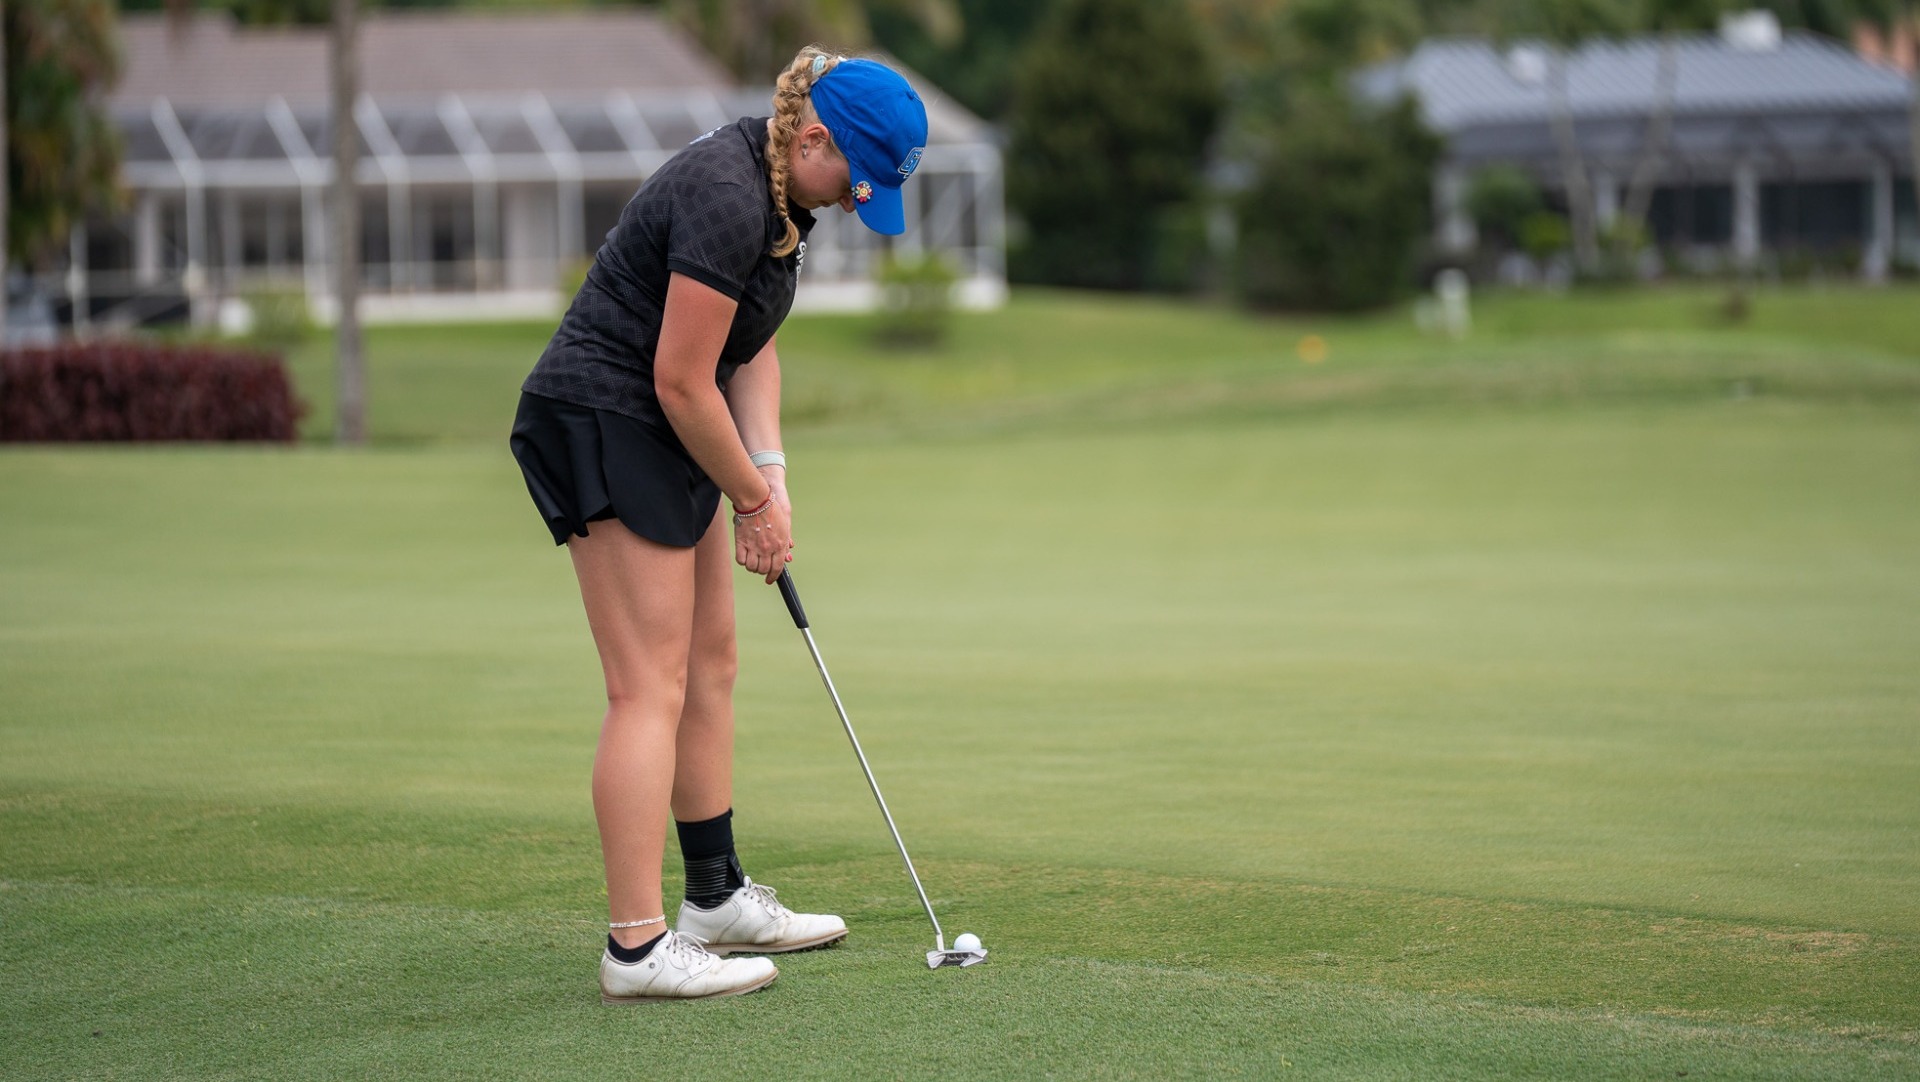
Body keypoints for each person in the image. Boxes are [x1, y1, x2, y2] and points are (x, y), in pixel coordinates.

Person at [508, 48, 928, 1002]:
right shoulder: (728, 193)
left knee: (711, 661)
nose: (857, 206)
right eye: (856, 183)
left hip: (670, 424)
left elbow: (751, 348)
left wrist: (768, 475)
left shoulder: (786, 202)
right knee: (644, 686)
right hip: (607, 419)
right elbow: (680, 378)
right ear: (814, 136)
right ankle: (636, 948)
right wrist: (747, 500)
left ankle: (714, 898)